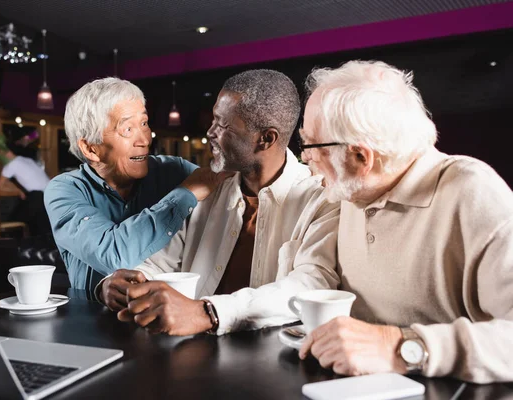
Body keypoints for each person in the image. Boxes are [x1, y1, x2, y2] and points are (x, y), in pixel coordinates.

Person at [296, 60, 513, 383]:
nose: (304, 157)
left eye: (311, 144)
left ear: (360, 158)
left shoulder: (473, 191)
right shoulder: (350, 192)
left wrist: (401, 346)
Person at [97, 69, 340, 336]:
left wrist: (208, 312)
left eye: (223, 125)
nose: (210, 132)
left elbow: (309, 284)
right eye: (214, 119)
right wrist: (123, 281)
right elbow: (158, 263)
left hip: (273, 360)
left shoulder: (321, 199)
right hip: (190, 353)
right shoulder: (205, 189)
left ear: (266, 138)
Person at [44, 77, 230, 292]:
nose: (144, 139)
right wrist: (185, 194)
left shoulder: (174, 170)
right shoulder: (65, 190)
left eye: (143, 123)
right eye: (127, 129)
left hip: (170, 313)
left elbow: (228, 192)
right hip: (92, 316)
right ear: (90, 149)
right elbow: (113, 255)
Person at [0, 145, 52, 236]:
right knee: (40, 226)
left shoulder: (11, 164)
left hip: (38, 197)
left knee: (15, 221)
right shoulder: (26, 160)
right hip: (50, 194)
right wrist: (18, 190)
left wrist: (17, 192)